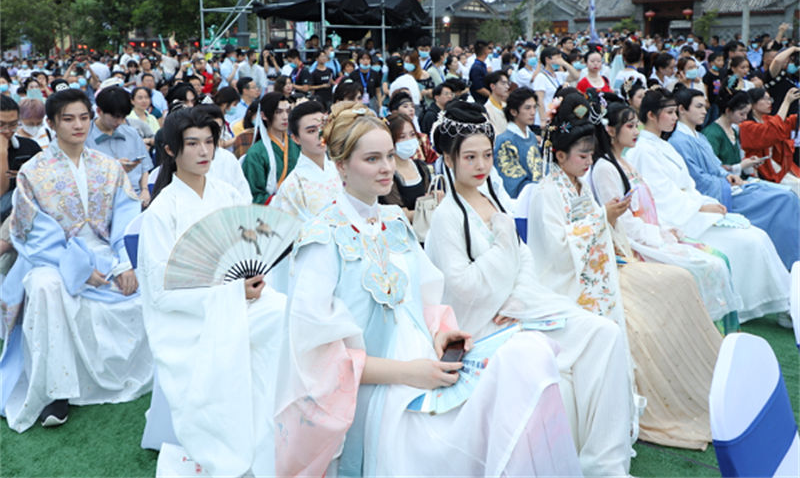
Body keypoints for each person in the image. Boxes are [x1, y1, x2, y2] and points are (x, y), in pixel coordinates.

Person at [274, 107, 583, 477]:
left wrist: (440, 333)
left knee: (528, 355)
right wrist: (409, 372)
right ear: (340, 165)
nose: (387, 167)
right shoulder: (320, 239)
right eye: (372, 159)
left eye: (389, 155)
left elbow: (423, 302)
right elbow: (319, 358)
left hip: (429, 368)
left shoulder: (395, 225)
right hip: (378, 391)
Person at [425, 101, 632, 476]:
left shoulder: (494, 196)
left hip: (517, 306)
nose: (481, 165)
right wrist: (505, 248)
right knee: (589, 339)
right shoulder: (447, 216)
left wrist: (515, 294)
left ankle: (606, 462)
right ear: (449, 159)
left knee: (605, 333)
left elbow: (524, 261)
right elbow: (461, 287)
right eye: (469, 157)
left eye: (486, 155)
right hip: (483, 324)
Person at [528, 92, 724, 451]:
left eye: (590, 155)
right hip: (567, 281)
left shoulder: (575, 183)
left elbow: (594, 227)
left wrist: (609, 227)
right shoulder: (546, 192)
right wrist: (604, 217)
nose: (588, 162)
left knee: (678, 281)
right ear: (559, 156)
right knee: (660, 294)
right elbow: (555, 250)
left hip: (600, 266)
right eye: (582, 156)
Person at [138, 107, 284, 476]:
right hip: (189, 322)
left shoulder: (229, 194)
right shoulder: (161, 212)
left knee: (283, 311)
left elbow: (251, 255)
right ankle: (239, 443)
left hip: (236, 303)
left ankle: (271, 435)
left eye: (209, 142)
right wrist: (232, 295)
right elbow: (161, 297)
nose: (204, 152)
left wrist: (251, 285)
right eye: (192, 144)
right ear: (171, 150)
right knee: (271, 323)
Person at [1, 89, 152, 431]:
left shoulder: (108, 166)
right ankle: (56, 390)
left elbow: (126, 217)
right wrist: (80, 270)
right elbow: (31, 232)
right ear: (52, 124)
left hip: (105, 252)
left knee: (147, 285)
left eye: (84, 117)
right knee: (45, 288)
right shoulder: (33, 170)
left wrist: (124, 262)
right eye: (68, 118)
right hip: (50, 259)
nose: (78, 125)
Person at [627, 88, 792, 326]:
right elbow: (663, 197)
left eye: (675, 112)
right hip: (681, 219)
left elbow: (689, 185)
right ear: (652, 115)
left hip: (694, 207)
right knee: (751, 241)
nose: (674, 118)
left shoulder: (663, 145)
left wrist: (707, 202)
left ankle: (784, 302)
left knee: (758, 235)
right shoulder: (644, 150)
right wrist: (701, 207)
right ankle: (779, 303)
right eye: (670, 113)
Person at [591, 101, 742, 334]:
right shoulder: (605, 168)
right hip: (636, 244)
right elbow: (622, 222)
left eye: (636, 126)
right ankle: (701, 333)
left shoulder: (625, 162)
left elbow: (649, 207)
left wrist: (666, 228)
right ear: (610, 130)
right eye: (630, 127)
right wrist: (658, 234)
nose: (636, 132)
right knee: (705, 266)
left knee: (718, 259)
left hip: (653, 233)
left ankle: (713, 334)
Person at [670, 87, 800, 270]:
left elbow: (717, 166)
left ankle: (790, 257)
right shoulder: (680, 140)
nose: (704, 111)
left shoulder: (698, 136)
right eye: (698, 107)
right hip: (718, 193)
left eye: (704, 106)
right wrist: (728, 178)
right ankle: (790, 261)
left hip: (728, 184)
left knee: (787, 194)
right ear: (682, 109)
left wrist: (729, 175)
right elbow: (697, 179)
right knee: (784, 199)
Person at [271, 100, 340, 221]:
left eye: (323, 128)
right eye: (311, 131)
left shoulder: (341, 170)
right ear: (296, 139)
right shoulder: (293, 185)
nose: (320, 135)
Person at [86, 86, 153, 207]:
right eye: (115, 117)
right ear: (99, 111)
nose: (119, 121)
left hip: (136, 198)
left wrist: (145, 190)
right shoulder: (85, 137)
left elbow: (144, 166)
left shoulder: (131, 134)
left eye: (123, 117)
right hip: (103, 202)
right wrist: (113, 168)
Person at [739, 87, 800, 196]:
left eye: (770, 99)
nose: (769, 102)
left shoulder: (767, 119)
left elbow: (787, 125)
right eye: (765, 99)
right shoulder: (746, 126)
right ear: (752, 104)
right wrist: (786, 102)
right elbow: (774, 130)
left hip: (777, 164)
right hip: (762, 168)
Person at [242, 92, 299, 204]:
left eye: (288, 111)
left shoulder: (297, 145)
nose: (285, 117)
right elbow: (253, 195)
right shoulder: (256, 153)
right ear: (263, 115)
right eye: (278, 112)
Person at [378, 112, 434, 224]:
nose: (409, 140)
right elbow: (399, 214)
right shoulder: (386, 174)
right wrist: (429, 210)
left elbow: (430, 197)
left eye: (412, 134)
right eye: (402, 137)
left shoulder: (421, 167)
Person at [494, 87, 543, 198]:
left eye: (534, 107)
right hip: (523, 200)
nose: (532, 112)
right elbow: (513, 183)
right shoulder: (505, 141)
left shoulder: (530, 135)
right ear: (513, 111)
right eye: (527, 108)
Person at [701, 91, 761, 177]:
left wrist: (749, 163)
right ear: (728, 111)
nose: (745, 117)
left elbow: (735, 161)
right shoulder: (712, 134)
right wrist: (741, 166)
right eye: (741, 114)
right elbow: (712, 168)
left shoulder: (734, 130)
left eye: (746, 114)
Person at [1, 96, 42, 222]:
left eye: (13, 125)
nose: (7, 131)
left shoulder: (29, 147)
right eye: (1, 125)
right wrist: (2, 153)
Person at [533, 46, 579, 128]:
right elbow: (539, 99)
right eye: (557, 57)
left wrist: (564, 63)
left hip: (557, 117)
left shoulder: (559, 75)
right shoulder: (541, 77)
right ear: (547, 60)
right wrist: (543, 120)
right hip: (546, 118)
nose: (560, 60)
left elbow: (575, 76)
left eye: (560, 57)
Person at [483, 71, 510, 136]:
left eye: (507, 83)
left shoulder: (508, 106)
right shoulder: (486, 110)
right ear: (492, 86)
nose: (507, 87)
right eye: (503, 83)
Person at [469, 40, 491, 104]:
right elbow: (479, 88)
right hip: (480, 102)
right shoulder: (477, 68)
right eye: (488, 49)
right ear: (485, 51)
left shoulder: (481, 65)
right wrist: (493, 97)